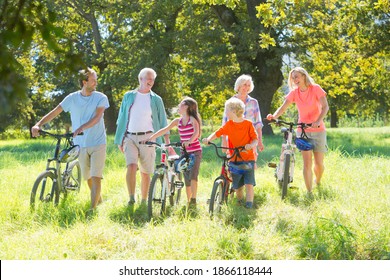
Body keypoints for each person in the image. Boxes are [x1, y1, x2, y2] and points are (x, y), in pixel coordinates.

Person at [31, 68, 110, 211]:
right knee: (88, 178)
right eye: (93, 80)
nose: (96, 83)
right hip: (80, 144)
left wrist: (82, 127)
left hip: (98, 142)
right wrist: (38, 124)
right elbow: (55, 111)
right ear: (84, 82)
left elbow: (98, 117)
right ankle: (98, 200)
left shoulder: (101, 97)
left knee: (96, 176)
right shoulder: (72, 98)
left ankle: (92, 210)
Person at [114, 68, 173, 205]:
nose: (151, 81)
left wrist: (167, 141)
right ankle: (131, 198)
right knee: (132, 166)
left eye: (152, 79)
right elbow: (121, 118)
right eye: (148, 78)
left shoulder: (156, 99)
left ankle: (144, 200)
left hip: (148, 138)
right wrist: (119, 139)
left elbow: (163, 120)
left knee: (146, 172)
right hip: (129, 137)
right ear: (140, 79)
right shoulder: (128, 96)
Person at [267, 66, 329, 194]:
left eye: (297, 76)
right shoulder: (294, 93)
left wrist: (318, 121)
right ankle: (309, 192)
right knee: (307, 163)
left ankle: (318, 181)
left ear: (304, 76)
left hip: (318, 130)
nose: (295, 79)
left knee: (318, 164)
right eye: (292, 78)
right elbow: (283, 107)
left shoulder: (316, 89)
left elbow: (325, 107)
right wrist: (274, 116)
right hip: (302, 131)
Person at [203, 98, 258, 208]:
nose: (225, 112)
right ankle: (240, 201)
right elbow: (218, 133)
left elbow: (255, 139)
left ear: (233, 111)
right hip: (234, 158)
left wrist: (251, 145)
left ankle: (249, 206)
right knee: (237, 186)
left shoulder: (248, 124)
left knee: (249, 184)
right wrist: (208, 139)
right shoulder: (229, 124)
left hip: (248, 158)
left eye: (226, 110)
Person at [147, 97, 202, 206]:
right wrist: (152, 137)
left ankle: (193, 200)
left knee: (193, 176)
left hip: (195, 152)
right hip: (184, 152)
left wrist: (190, 141)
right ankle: (188, 200)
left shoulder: (192, 119)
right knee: (186, 177)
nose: (178, 106)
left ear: (186, 107)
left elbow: (196, 132)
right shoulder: (178, 121)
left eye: (181, 104)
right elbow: (165, 129)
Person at [222, 74, 264, 156]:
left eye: (249, 85)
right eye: (244, 84)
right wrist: (224, 141)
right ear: (239, 85)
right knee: (232, 165)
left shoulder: (254, 102)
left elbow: (258, 124)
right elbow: (225, 123)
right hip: (233, 140)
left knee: (250, 165)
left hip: (250, 141)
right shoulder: (230, 102)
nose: (247, 87)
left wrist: (259, 142)